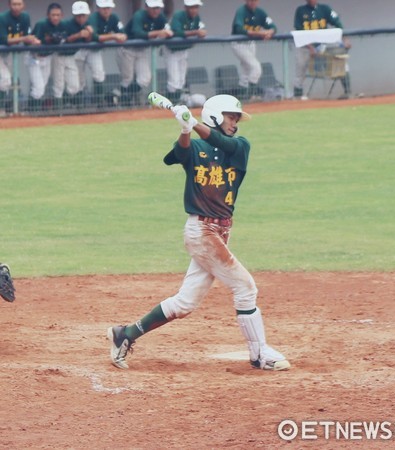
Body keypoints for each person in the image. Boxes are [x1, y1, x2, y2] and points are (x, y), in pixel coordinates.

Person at [107, 94, 290, 372]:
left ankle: (126, 334)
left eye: (237, 118)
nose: (235, 123)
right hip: (201, 231)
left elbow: (224, 143)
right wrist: (184, 130)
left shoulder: (240, 147)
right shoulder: (196, 148)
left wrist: (191, 122)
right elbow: (177, 155)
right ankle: (260, 354)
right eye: (231, 117)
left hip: (219, 232)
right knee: (245, 287)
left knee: (185, 303)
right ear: (216, 116)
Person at [117, 0, 173, 107]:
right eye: (153, 8)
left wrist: (166, 33)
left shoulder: (161, 17)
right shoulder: (139, 15)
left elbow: (168, 30)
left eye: (158, 8)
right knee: (127, 78)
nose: (156, 10)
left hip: (141, 50)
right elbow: (138, 33)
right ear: (147, 7)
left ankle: (123, 96)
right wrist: (158, 33)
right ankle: (124, 103)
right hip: (127, 48)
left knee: (145, 78)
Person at [293, 0, 351, 100]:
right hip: (305, 47)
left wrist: (345, 39)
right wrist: (310, 47)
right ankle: (297, 96)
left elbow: (338, 24)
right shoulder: (300, 10)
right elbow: (298, 31)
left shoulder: (325, 9)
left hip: (323, 45)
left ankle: (348, 92)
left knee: (341, 62)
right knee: (300, 68)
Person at [82, 0, 126, 108]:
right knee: (78, 82)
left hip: (94, 50)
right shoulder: (94, 17)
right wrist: (113, 36)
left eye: (108, 8)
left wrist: (115, 36)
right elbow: (95, 37)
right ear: (98, 8)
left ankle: (99, 103)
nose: (106, 10)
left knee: (99, 74)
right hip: (81, 49)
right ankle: (78, 106)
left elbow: (123, 33)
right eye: (103, 8)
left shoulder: (114, 17)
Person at [231, 0, 276, 100]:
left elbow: (273, 27)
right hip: (239, 44)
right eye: (250, 0)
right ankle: (251, 95)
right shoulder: (241, 11)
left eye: (255, 0)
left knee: (246, 70)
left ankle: (242, 96)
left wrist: (269, 32)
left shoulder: (260, 12)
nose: (252, 2)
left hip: (251, 44)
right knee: (256, 68)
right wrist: (260, 33)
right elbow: (239, 29)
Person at [0, 0, 40, 114]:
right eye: (14, 4)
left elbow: (27, 36)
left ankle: (11, 108)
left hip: (10, 53)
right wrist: (24, 39)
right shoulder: (2, 18)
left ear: (23, 5)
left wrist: (33, 40)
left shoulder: (25, 17)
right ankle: (1, 109)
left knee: (11, 80)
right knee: (6, 80)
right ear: (9, 5)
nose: (16, 7)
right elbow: (5, 40)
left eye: (19, 4)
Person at [27, 3, 67, 113]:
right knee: (39, 89)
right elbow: (36, 42)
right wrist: (47, 40)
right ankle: (32, 113)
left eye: (58, 15)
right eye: (53, 15)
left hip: (48, 57)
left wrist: (58, 39)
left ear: (62, 15)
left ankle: (32, 111)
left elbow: (64, 38)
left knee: (41, 88)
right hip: (34, 58)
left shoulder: (63, 25)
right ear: (48, 15)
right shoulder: (42, 24)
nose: (55, 17)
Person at [164, 0, 206, 104]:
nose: (194, 9)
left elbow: (201, 29)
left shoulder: (197, 17)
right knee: (174, 81)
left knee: (181, 80)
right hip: (172, 50)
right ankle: (170, 104)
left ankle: (176, 102)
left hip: (183, 50)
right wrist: (196, 32)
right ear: (186, 7)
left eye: (196, 7)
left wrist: (201, 32)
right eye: (191, 7)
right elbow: (176, 32)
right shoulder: (179, 15)